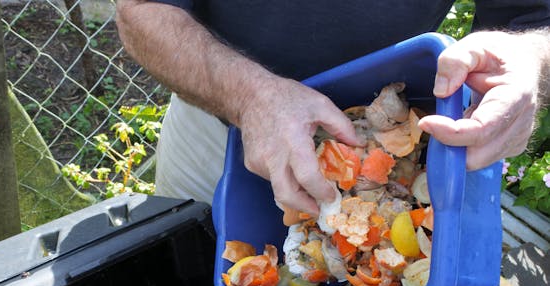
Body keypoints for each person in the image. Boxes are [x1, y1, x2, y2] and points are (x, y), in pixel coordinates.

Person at [115, 1, 550, 216]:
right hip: (219, 127)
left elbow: (535, 20)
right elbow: (142, 11)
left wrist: (527, 57)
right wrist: (250, 98)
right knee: (186, 265)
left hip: (392, 146)